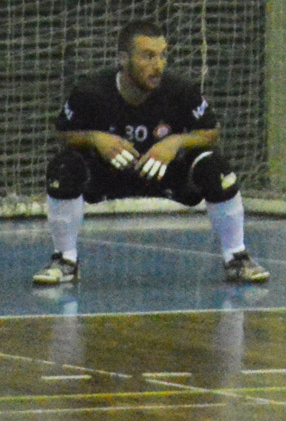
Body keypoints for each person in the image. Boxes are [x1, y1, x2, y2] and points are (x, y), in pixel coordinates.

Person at [33, 20, 267, 288]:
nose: (158, 65)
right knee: (64, 167)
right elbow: (62, 132)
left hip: (165, 174)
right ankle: (65, 260)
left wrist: (176, 142)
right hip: (110, 174)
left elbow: (211, 132)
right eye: (148, 56)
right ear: (123, 59)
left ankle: (236, 257)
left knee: (217, 169)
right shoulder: (90, 91)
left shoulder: (181, 90)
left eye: (162, 55)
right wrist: (95, 138)